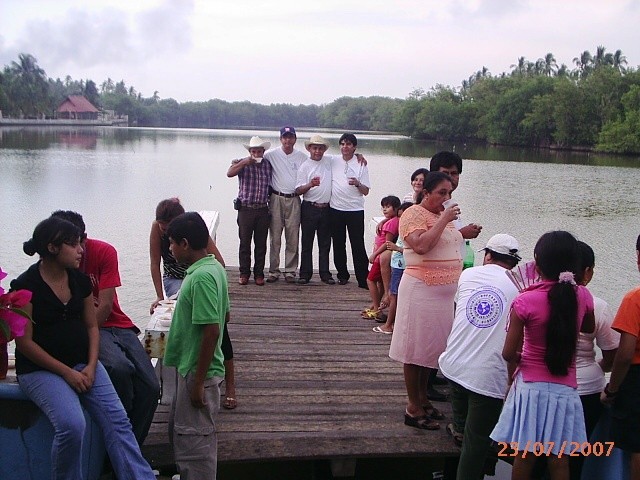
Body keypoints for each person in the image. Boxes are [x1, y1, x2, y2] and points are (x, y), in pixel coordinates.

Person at [12, 217, 156, 480]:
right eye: (74, 244)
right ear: (53, 247)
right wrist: (67, 373)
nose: (81, 250)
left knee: (118, 421)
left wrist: (91, 366)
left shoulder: (80, 282)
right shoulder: (25, 287)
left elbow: (92, 327)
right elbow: (24, 343)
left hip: (84, 364)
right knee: (72, 425)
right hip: (40, 371)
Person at [490, 230, 596, 480]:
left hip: (530, 389)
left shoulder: (526, 300)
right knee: (559, 459)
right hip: (566, 392)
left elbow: (508, 353)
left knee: (524, 457)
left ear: (536, 265)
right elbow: (588, 327)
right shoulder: (582, 296)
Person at [51, 210, 159, 445]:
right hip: (88, 330)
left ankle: (131, 446)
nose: (78, 249)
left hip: (114, 324)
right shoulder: (53, 268)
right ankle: (118, 444)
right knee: (119, 369)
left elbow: (107, 305)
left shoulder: (104, 252)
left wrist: (87, 330)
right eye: (70, 243)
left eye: (80, 241)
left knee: (151, 386)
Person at [438, 234, 522, 480]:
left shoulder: (467, 275)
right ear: (513, 262)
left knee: (466, 424)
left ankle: (461, 428)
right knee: (476, 446)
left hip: (452, 365)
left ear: (487, 256)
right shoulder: (520, 287)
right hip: (486, 379)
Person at [389, 171, 463, 430]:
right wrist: (444, 218)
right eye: (441, 192)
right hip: (420, 289)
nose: (446, 197)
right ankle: (412, 406)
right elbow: (421, 246)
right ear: (426, 192)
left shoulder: (442, 215)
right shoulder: (413, 214)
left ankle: (423, 398)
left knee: (430, 349)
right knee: (415, 349)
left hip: (442, 294)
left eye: (449, 193)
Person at [148, 198, 237, 410]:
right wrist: (161, 297)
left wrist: (198, 382)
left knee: (212, 328)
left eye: (171, 238)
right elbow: (154, 262)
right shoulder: (158, 229)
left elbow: (213, 330)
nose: (168, 244)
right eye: (164, 232)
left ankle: (227, 384)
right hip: (178, 277)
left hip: (194, 276)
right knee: (183, 323)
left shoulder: (193, 231)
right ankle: (179, 375)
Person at [163, 212, 229, 480]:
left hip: (197, 372)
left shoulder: (200, 278)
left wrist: (198, 382)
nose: (170, 249)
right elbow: (226, 315)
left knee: (195, 449)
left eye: (172, 243)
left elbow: (212, 330)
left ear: (185, 244)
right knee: (184, 436)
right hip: (191, 369)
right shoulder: (214, 269)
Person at [569, 240, 619, 480]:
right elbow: (613, 356)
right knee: (577, 454)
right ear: (587, 272)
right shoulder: (597, 305)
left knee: (542, 452)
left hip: (543, 386)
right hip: (587, 390)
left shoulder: (535, 300)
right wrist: (596, 367)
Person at [601, 233, 640, 480]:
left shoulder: (634, 299)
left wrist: (612, 389)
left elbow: (625, 354)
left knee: (636, 446)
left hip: (636, 381)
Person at [227, 136, 273, 286]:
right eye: (254, 151)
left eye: (259, 151)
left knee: (261, 244)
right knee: (244, 243)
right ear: (250, 151)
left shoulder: (268, 165)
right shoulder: (241, 163)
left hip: (262, 209)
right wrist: (244, 162)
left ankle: (259, 274)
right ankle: (244, 273)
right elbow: (229, 173)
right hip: (246, 209)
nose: (257, 154)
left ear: (263, 151)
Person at [264, 126, 307, 284]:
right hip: (276, 198)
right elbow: (255, 156)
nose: (287, 140)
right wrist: (238, 161)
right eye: (285, 137)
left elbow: (319, 162)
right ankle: (273, 270)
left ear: (295, 139)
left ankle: (290, 271)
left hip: (295, 199)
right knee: (275, 237)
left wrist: (357, 156)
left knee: (293, 237)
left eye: (290, 137)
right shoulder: (271, 155)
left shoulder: (302, 157)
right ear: (280, 139)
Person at [329, 133, 370, 288]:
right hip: (335, 209)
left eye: (348, 144)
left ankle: (362, 278)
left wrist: (358, 183)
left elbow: (366, 191)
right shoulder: (332, 160)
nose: (345, 147)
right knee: (338, 244)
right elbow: (315, 157)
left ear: (354, 147)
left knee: (357, 244)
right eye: (342, 144)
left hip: (355, 210)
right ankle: (342, 275)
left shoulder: (361, 163)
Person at [294, 135, 335, 285]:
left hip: (326, 208)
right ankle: (305, 274)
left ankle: (325, 273)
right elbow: (298, 190)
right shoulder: (305, 166)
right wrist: (310, 184)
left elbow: (346, 157)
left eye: (320, 148)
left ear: (324, 149)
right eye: (314, 148)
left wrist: (358, 155)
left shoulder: (330, 161)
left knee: (325, 243)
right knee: (307, 242)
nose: (317, 151)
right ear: (309, 149)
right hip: (309, 207)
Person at [373, 201, 413, 335]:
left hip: (401, 266)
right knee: (394, 294)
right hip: (396, 265)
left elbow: (412, 250)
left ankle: (389, 325)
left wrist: (396, 248)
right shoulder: (404, 229)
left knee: (394, 295)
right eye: (400, 217)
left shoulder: (411, 232)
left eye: (404, 217)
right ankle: (394, 323)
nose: (401, 220)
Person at [362, 195, 400, 319]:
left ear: (396, 209)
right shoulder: (392, 221)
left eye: (388, 207)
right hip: (380, 258)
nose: (384, 209)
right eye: (383, 207)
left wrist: (375, 254)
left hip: (380, 258)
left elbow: (387, 243)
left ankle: (377, 308)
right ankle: (375, 306)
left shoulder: (391, 224)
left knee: (370, 280)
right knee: (379, 283)